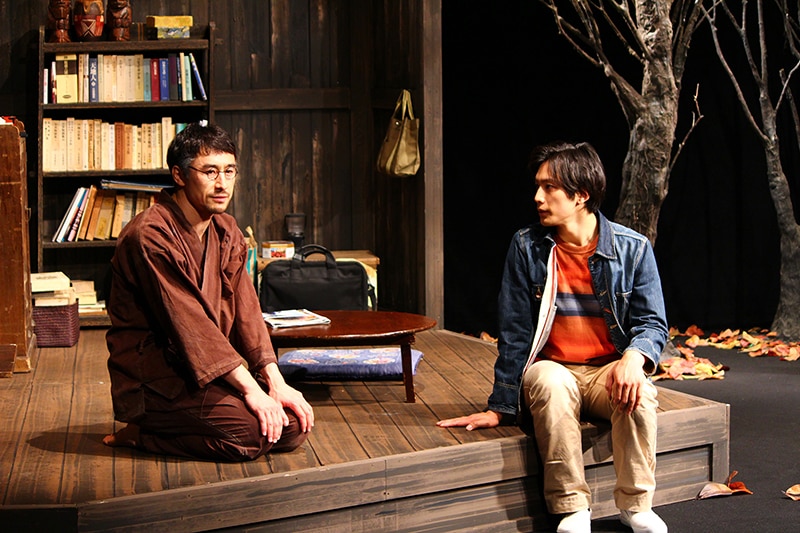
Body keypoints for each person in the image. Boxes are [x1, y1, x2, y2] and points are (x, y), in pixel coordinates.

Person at [438, 141, 669, 533]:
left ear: (581, 195)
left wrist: (634, 357)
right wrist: (502, 405)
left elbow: (652, 323)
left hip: (605, 371)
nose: (538, 197)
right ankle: (573, 507)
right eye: (538, 186)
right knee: (551, 381)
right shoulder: (527, 247)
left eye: (549, 187)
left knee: (640, 391)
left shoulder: (633, 248)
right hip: (553, 368)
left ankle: (636, 506)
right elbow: (515, 331)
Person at [103, 122, 314, 461]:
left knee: (292, 426)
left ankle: (214, 414)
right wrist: (250, 389)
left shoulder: (226, 229)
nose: (222, 184)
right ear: (179, 175)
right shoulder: (150, 235)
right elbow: (189, 324)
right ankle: (143, 434)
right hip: (159, 377)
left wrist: (275, 382)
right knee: (250, 435)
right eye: (210, 171)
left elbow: (247, 311)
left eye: (229, 171)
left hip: (209, 368)